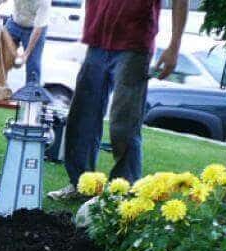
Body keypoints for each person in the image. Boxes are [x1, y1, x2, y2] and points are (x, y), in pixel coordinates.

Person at [50, 0, 188, 199]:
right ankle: (82, 185)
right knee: (82, 118)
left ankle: (123, 193)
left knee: (124, 124)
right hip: (97, 40)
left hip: (134, 45)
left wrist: (174, 47)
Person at [0, 0, 51, 103]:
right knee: (2, 56)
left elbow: (38, 29)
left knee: (33, 63)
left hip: (34, 28)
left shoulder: (43, 2)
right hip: (14, 23)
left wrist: (26, 54)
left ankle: (31, 101)